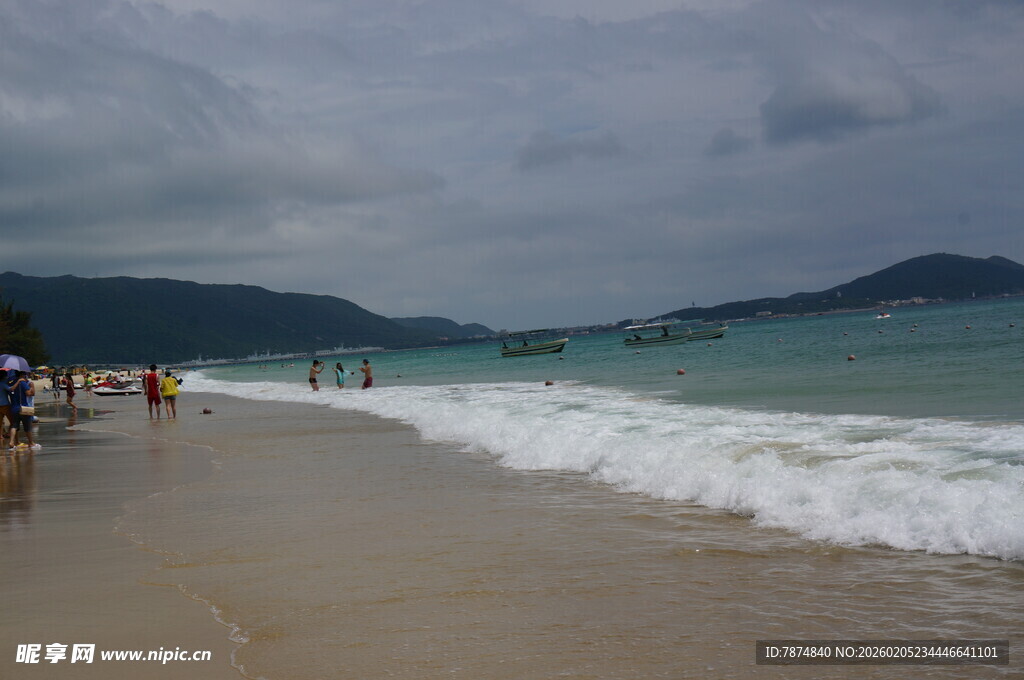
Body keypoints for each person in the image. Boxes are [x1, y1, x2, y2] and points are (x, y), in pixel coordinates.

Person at [7, 371, 37, 451]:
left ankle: (12, 442)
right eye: (25, 374)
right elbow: (29, 393)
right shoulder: (22, 383)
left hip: (13, 408)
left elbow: (10, 391)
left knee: (14, 426)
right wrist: (32, 387)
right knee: (27, 426)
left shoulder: (11, 383)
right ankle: (31, 443)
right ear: (22, 375)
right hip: (23, 407)